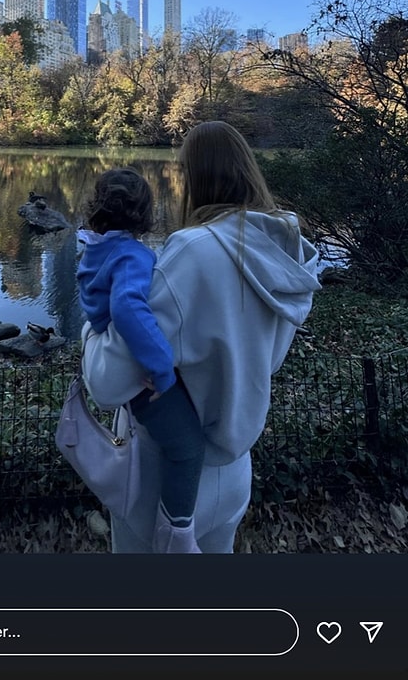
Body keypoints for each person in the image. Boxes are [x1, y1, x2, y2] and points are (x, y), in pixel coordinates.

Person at [81, 122, 321, 553]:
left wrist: (89, 332)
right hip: (232, 467)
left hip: (163, 477)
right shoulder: (288, 248)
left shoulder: (192, 251)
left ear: (194, 176)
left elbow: (107, 384)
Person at [77, 168, 206, 553]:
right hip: (139, 371)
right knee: (188, 447)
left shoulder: (95, 247)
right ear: (145, 213)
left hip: (111, 350)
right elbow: (128, 307)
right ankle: (178, 535)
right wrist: (163, 369)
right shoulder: (132, 254)